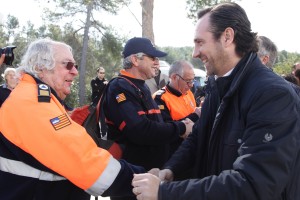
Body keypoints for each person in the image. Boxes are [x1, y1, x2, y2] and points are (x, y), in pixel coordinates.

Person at [131, 3, 300, 200]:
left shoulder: (272, 94)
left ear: (227, 37)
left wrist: (164, 192)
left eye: (200, 42)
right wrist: (170, 169)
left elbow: (254, 184)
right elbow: (197, 138)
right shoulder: (218, 86)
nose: (195, 53)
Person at [0, 38, 146, 200]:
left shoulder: (36, 95)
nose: (75, 71)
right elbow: (86, 163)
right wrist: (141, 178)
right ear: (40, 68)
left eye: (75, 66)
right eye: (67, 64)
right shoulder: (33, 101)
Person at [101, 37, 193, 200]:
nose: (157, 62)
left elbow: (156, 125)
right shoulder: (119, 87)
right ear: (135, 60)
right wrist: (181, 128)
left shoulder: (140, 85)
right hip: (132, 184)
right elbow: (140, 130)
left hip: (150, 179)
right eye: (153, 57)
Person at [153, 60, 201, 157]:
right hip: (175, 154)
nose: (191, 85)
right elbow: (166, 129)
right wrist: (196, 115)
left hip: (193, 149)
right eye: (188, 81)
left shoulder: (189, 93)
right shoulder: (160, 98)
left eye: (193, 80)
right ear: (174, 77)